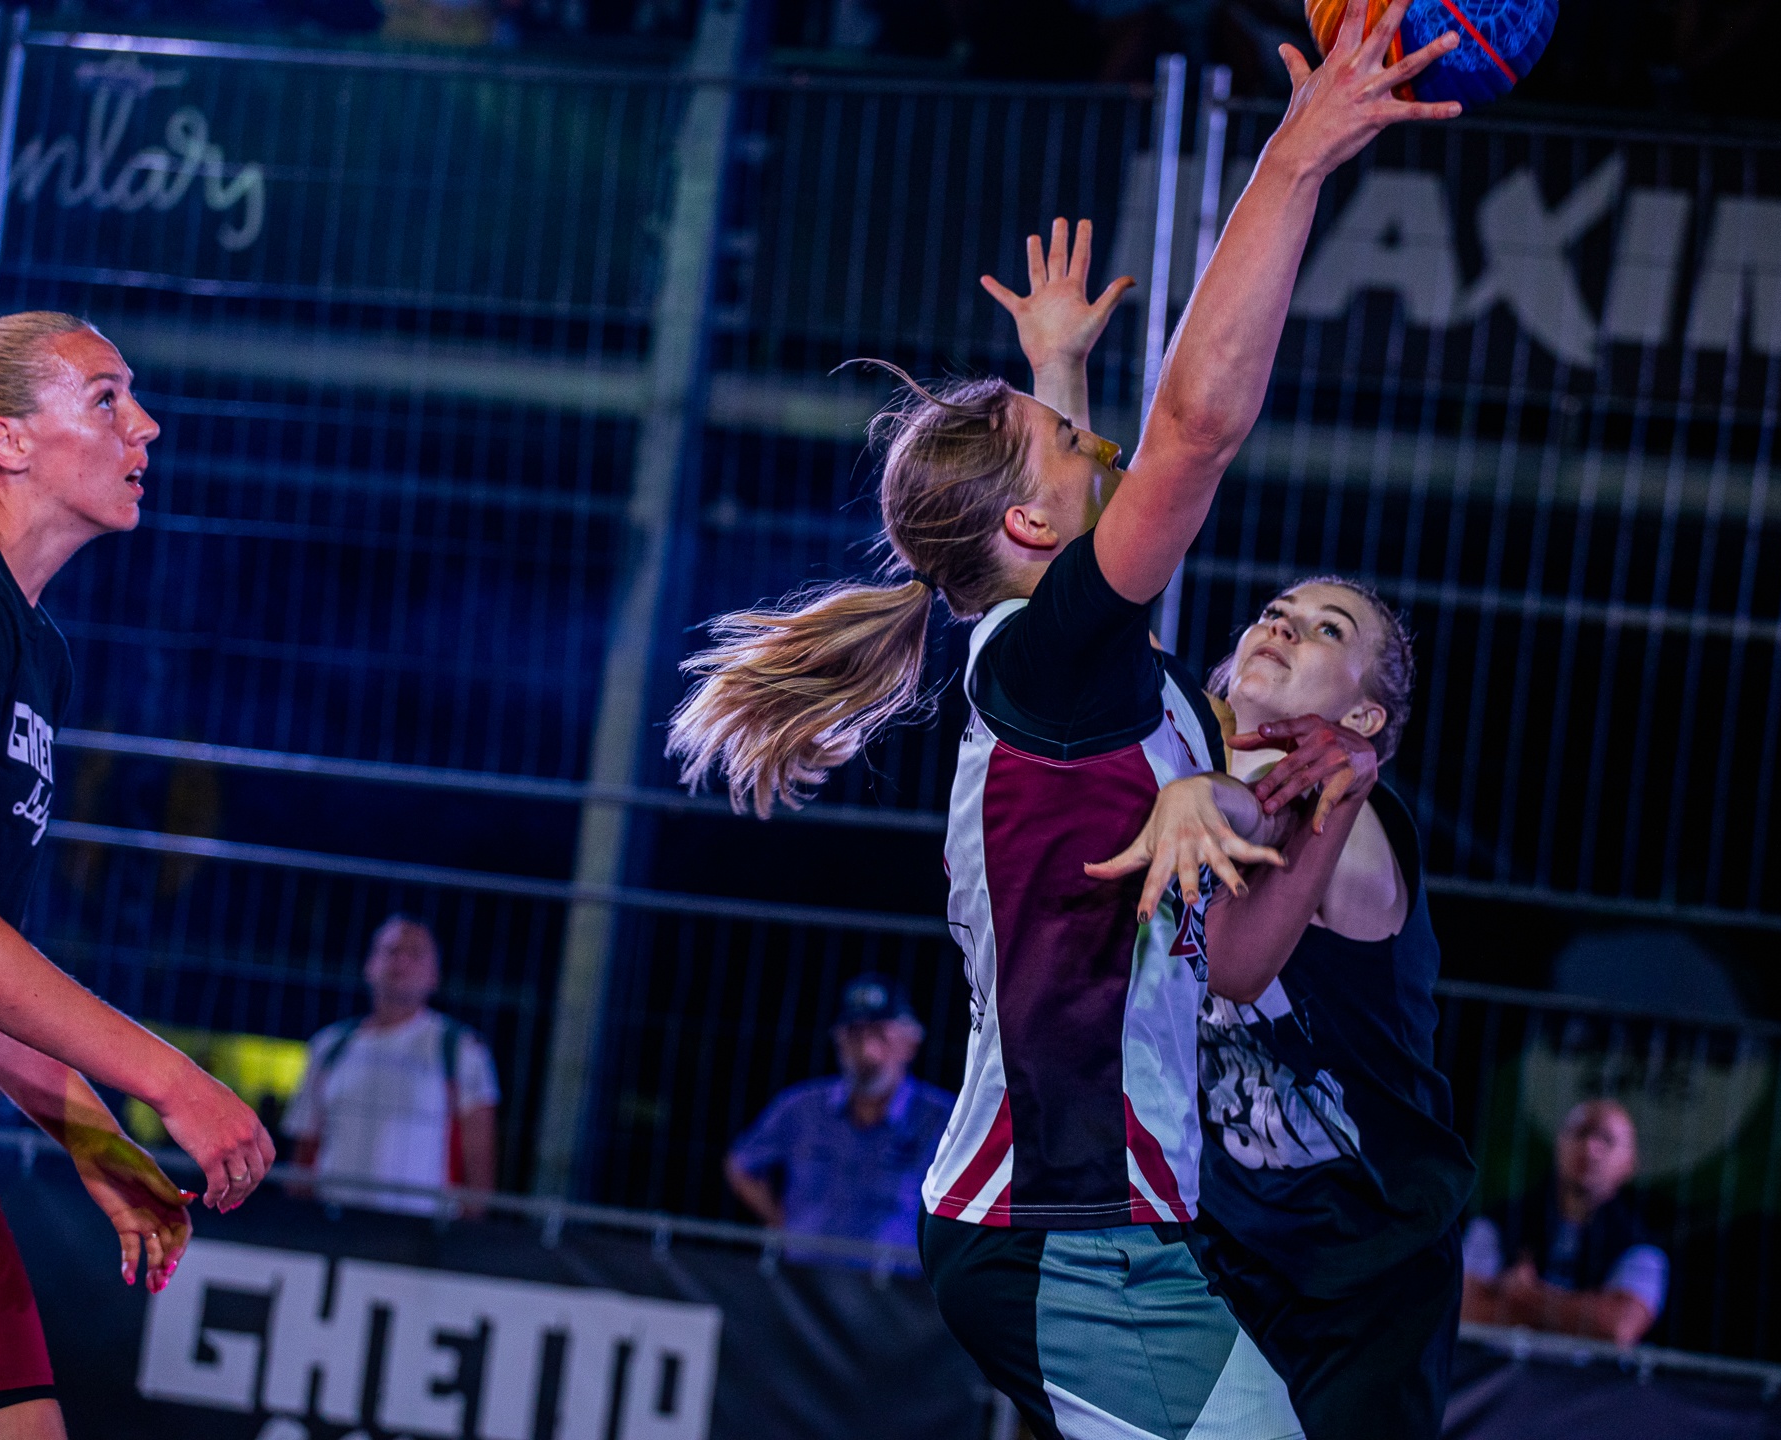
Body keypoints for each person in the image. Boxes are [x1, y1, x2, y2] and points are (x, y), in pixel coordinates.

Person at [664, 5, 1461, 1433]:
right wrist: (1296, 156)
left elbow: (1229, 961)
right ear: (1035, 528)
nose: (1100, 449)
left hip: (1088, 1229)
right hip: (1065, 1232)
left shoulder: (1086, 684)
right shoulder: (1050, 669)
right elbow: (1197, 431)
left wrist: (1057, 372)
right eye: (1074, 446)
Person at [0, 306, 275, 1440]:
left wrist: (97, 1143)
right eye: (106, 399)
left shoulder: (32, 644)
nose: (146, 425)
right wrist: (177, 1084)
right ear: (7, 441)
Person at [1090, 577, 1475, 1439]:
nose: (1284, 628)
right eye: (1274, 615)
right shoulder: (1182, 761)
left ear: (1363, 717)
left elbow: (1261, 824)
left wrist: (1202, 795)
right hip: (1231, 1241)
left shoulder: (1351, 826)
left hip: (1368, 1264)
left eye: (1328, 630)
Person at [724, 973, 955, 1268]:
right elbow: (741, 1164)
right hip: (807, 1278)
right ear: (838, 1040)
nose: (867, 1050)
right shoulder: (801, 1107)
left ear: (910, 1043)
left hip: (895, 1284)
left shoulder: (942, 1116)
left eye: (880, 1034)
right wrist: (784, 1225)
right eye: (855, 1034)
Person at [282, 916, 500, 1217]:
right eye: (391, 951)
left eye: (416, 954)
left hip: (419, 1226)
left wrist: (468, 1230)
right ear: (369, 965)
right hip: (331, 1217)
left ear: (434, 975)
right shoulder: (330, 1046)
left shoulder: (461, 1050)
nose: (401, 962)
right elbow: (305, 1145)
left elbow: (479, 1157)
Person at [1460, 1097, 1666, 1347]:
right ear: (1559, 1143)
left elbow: (1617, 1328)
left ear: (1630, 1163)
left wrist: (1527, 1296)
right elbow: (1466, 1310)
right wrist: (1579, 1316)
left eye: (1607, 1140)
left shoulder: (1642, 1246)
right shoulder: (1497, 1222)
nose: (1590, 1148)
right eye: (1581, 1133)